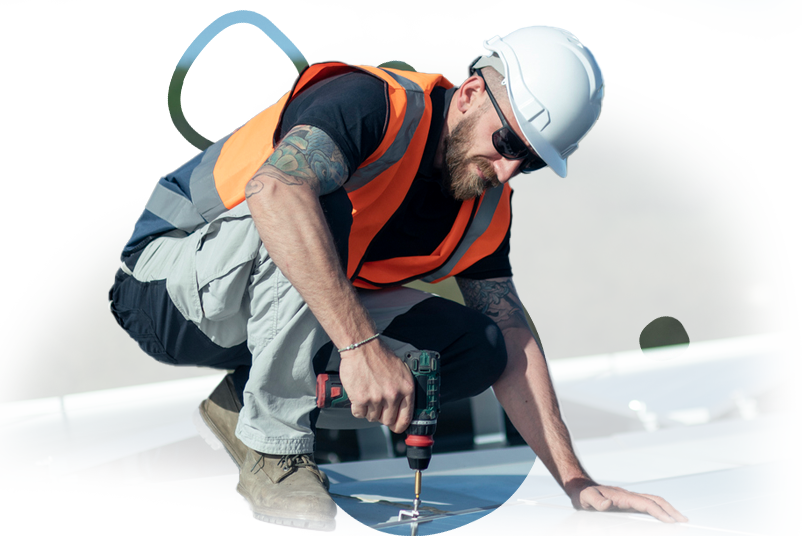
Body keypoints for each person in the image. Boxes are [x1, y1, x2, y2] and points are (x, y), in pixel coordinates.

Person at [108, 26, 689, 531]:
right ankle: (274, 445)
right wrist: (360, 347)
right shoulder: (371, 104)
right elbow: (277, 191)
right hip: (168, 289)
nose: (508, 169)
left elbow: (512, 335)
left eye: (530, 161)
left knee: (477, 349)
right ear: (468, 94)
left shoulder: (484, 207)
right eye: (508, 142)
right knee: (312, 196)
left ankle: (244, 404)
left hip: (273, 310)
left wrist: (575, 480)